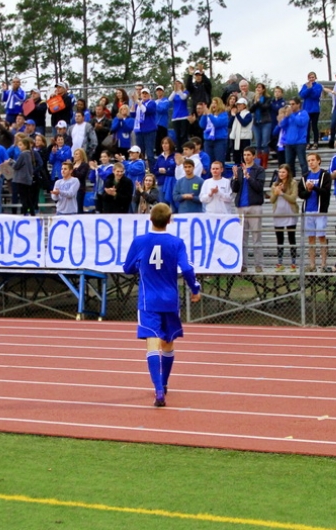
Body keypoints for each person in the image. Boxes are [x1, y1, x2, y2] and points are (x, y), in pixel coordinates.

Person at [123, 202, 201, 407]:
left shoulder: (140, 241)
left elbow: (127, 268)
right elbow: (187, 268)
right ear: (170, 220)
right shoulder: (176, 243)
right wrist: (195, 288)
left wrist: (139, 265)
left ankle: (158, 390)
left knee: (152, 342)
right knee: (168, 342)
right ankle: (164, 383)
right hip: (170, 300)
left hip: (148, 301)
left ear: (150, 219)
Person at [232, 147, 266, 272]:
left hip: (254, 206)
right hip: (241, 206)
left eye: (248, 155)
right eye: (244, 154)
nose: (246, 157)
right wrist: (236, 177)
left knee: (256, 237)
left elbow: (259, 187)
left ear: (253, 156)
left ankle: (259, 265)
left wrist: (248, 176)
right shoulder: (240, 170)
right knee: (242, 238)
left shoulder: (259, 170)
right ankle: (243, 264)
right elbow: (235, 189)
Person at [298, 153, 331, 272]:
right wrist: (308, 190)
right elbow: (301, 194)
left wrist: (314, 188)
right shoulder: (305, 176)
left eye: (313, 160)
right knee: (311, 238)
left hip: (320, 210)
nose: (311, 162)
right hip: (308, 210)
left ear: (318, 161)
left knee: (321, 236)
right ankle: (312, 264)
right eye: (309, 161)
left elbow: (326, 192)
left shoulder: (325, 175)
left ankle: (323, 264)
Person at [269, 163, 299, 271]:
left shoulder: (293, 183)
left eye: (283, 172)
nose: (281, 174)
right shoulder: (275, 184)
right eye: (280, 172)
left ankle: (293, 263)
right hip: (278, 214)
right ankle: (280, 263)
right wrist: (276, 193)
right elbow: (272, 200)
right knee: (279, 239)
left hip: (290, 213)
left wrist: (282, 193)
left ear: (288, 173)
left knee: (291, 238)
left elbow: (293, 198)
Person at [279, 98, 308, 179]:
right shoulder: (288, 116)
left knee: (302, 162)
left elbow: (301, 123)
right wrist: (285, 117)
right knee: (288, 164)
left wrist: (291, 115)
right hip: (289, 143)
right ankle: (291, 181)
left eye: (293, 104)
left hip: (300, 142)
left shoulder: (304, 113)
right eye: (290, 104)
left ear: (298, 104)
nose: (291, 106)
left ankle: (305, 179)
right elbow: (282, 125)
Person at [199, 97, 229, 164]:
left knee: (219, 161)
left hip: (219, 140)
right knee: (209, 161)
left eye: (215, 103)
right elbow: (202, 125)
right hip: (208, 140)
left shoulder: (224, 115)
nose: (213, 105)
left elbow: (217, 123)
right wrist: (204, 115)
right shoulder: (209, 114)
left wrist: (209, 114)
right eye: (212, 103)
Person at [11, 138, 36, 216]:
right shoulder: (29, 154)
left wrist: (11, 162)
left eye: (20, 145)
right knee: (28, 197)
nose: (19, 146)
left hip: (21, 179)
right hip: (27, 179)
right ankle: (32, 212)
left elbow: (16, 166)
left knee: (23, 198)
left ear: (25, 146)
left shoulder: (23, 154)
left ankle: (25, 212)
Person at [299, 73, 323, 149]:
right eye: (310, 77)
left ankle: (316, 143)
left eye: (313, 77)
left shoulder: (318, 86)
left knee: (314, 126)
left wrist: (310, 89)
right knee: (307, 127)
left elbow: (316, 95)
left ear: (315, 78)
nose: (311, 79)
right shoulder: (305, 85)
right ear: (308, 78)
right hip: (306, 109)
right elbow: (302, 95)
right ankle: (307, 143)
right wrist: (309, 89)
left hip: (315, 109)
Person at [229, 97, 253, 166]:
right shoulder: (237, 114)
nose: (238, 106)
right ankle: (237, 168)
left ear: (244, 105)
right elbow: (229, 125)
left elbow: (244, 123)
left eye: (240, 104)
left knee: (244, 155)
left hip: (244, 138)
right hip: (236, 137)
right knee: (236, 155)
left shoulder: (248, 114)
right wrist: (233, 116)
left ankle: (245, 168)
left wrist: (237, 115)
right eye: (238, 105)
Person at [169, 80, 190, 150]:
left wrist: (179, 90)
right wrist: (175, 91)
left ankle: (185, 150)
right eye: (176, 84)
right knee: (177, 136)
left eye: (179, 83)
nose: (177, 85)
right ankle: (179, 150)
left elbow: (183, 97)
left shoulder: (185, 92)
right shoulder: (174, 93)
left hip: (184, 117)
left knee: (183, 135)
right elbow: (170, 99)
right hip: (175, 117)